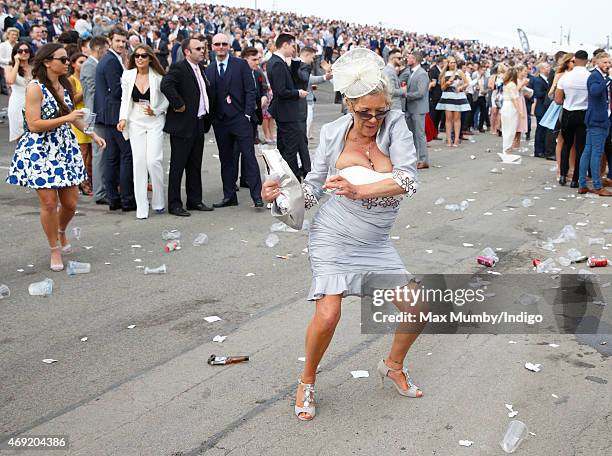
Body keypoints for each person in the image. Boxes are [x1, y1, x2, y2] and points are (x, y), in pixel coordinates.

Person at [261, 48, 423, 422]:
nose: (372, 119)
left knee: (417, 309)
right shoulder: (334, 133)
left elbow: (409, 181)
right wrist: (280, 196)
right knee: (330, 313)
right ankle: (306, 381)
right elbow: (314, 189)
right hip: (334, 233)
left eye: (379, 111)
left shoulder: (395, 125)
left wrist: (359, 189)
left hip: (376, 241)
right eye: (364, 112)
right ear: (349, 105)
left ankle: (393, 366)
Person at [5, 43, 105, 271]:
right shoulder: (35, 88)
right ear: (48, 62)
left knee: (70, 204)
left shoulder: (66, 84)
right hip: (40, 149)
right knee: (49, 203)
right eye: (62, 59)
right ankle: (54, 249)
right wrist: (67, 119)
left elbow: (74, 117)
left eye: (67, 59)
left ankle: (60, 231)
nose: (67, 63)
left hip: (64, 148)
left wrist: (93, 134)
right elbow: (34, 124)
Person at [204, 33, 263, 208]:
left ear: (229, 46)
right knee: (226, 160)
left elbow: (250, 91)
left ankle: (257, 196)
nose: (220, 47)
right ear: (212, 47)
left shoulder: (241, 65)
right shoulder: (210, 69)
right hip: (220, 122)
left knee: (249, 157)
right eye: (217, 44)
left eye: (224, 44)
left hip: (240, 120)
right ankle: (229, 196)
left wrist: (246, 114)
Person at [161, 36, 213, 217]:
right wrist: (178, 104)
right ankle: (174, 204)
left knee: (195, 164)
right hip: (182, 125)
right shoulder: (179, 67)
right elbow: (166, 85)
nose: (202, 51)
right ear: (187, 52)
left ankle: (194, 200)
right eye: (197, 48)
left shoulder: (201, 69)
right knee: (178, 166)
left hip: (198, 122)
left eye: (202, 48)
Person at [117, 44, 169, 219]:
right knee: (138, 161)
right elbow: (125, 99)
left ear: (150, 59)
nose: (140, 58)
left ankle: (159, 201)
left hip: (154, 120)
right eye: (137, 56)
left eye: (144, 56)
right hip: (135, 119)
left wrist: (157, 110)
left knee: (153, 160)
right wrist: (122, 118)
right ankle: (142, 206)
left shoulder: (159, 77)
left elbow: (167, 99)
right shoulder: (127, 75)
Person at [95, 27, 136, 211]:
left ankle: (114, 199)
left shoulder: (111, 59)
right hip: (114, 115)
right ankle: (126, 200)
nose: (121, 44)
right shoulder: (111, 61)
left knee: (113, 158)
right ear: (109, 41)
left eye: (123, 41)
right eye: (117, 40)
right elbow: (118, 90)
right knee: (126, 155)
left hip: (108, 114)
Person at [266, 33, 309, 180]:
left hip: (285, 112)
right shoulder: (277, 63)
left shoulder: (278, 61)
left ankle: (288, 179)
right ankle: (292, 181)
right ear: (284, 45)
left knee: (285, 148)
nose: (293, 49)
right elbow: (281, 90)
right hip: (286, 113)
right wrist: (298, 93)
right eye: (292, 46)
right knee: (290, 149)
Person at [577, 52, 612, 196]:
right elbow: (595, 91)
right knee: (596, 153)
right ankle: (597, 186)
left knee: (588, 151)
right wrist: (609, 79)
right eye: (604, 62)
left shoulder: (600, 76)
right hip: (597, 119)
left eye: (609, 62)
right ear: (596, 62)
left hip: (598, 118)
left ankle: (582, 184)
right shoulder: (594, 76)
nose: (607, 65)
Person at [80, 35, 109, 205]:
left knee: (102, 154)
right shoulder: (89, 66)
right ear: (99, 50)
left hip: (97, 114)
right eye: (105, 51)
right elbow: (92, 93)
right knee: (99, 154)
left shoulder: (93, 65)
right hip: (95, 115)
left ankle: (102, 188)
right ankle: (99, 191)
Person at [555, 50, 590, 187]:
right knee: (580, 147)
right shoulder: (590, 77)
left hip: (568, 111)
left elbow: (558, 100)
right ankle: (576, 179)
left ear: (574, 60)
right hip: (583, 112)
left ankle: (563, 175)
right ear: (587, 61)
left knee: (566, 144)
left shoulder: (565, 77)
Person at [400, 51, 430, 169]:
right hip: (411, 108)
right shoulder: (411, 72)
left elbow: (421, 93)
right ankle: (414, 159)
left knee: (420, 135)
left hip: (418, 109)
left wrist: (406, 94)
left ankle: (423, 160)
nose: (407, 59)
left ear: (415, 60)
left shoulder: (422, 74)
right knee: (412, 136)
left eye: (410, 58)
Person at [68, 52, 93, 196]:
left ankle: (89, 180)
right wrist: (85, 88)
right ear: (73, 64)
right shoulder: (71, 80)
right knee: (82, 152)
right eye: (81, 62)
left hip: (90, 117)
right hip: (78, 117)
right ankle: (82, 183)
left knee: (91, 153)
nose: (84, 65)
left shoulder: (88, 77)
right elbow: (72, 100)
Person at [436, 56, 470, 147]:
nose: (453, 64)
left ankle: (456, 139)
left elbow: (467, 83)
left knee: (457, 119)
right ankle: (449, 140)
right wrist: (447, 83)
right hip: (448, 96)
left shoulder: (459, 72)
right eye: (451, 62)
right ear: (448, 63)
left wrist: (461, 87)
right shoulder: (444, 73)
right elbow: (442, 88)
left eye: (454, 62)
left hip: (458, 96)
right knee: (448, 119)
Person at [5, 41, 32, 142]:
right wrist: (16, 63)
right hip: (18, 104)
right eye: (20, 51)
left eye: (26, 51)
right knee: (21, 137)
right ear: (15, 53)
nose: (24, 53)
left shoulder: (35, 67)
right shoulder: (9, 68)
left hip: (34, 102)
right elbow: (10, 81)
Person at [500, 67, 523, 154]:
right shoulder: (512, 85)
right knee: (511, 129)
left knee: (506, 128)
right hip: (510, 106)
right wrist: (520, 111)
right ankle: (507, 148)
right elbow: (514, 100)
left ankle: (506, 147)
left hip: (505, 105)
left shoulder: (506, 84)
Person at [533, 62, 552, 157]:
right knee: (540, 130)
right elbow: (538, 93)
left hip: (546, 108)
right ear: (541, 69)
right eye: (546, 67)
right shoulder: (538, 80)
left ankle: (544, 149)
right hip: (541, 108)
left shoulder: (547, 80)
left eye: (549, 67)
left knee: (545, 130)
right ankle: (538, 150)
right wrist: (549, 92)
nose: (548, 69)